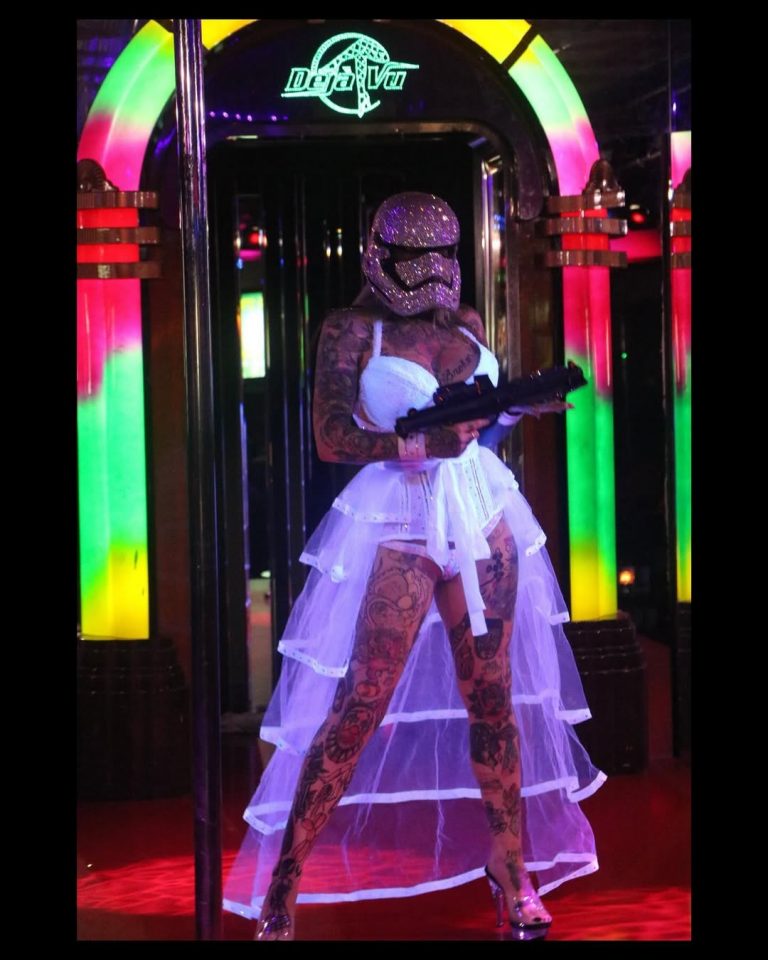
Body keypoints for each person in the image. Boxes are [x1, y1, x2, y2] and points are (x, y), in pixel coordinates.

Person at [223, 192, 605, 941]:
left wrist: (515, 409)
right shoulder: (350, 329)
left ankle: (513, 872)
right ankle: (285, 881)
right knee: (359, 702)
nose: (428, 270)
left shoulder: (465, 324)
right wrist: (413, 444)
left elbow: (478, 423)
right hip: (398, 517)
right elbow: (330, 435)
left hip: (481, 509)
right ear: (383, 257)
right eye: (413, 257)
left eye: (438, 256)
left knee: (492, 699)